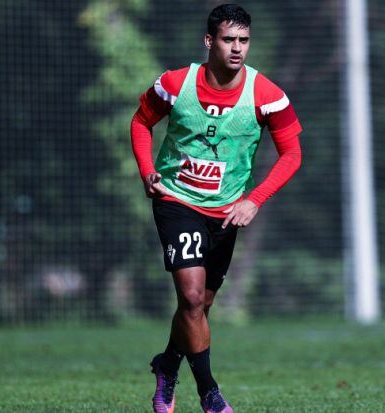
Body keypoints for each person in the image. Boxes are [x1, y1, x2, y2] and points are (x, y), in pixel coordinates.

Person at [130, 4, 303, 412]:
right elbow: (141, 123)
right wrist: (147, 171)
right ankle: (210, 394)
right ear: (210, 41)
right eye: (229, 40)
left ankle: (167, 366)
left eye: (244, 40)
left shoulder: (267, 95)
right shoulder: (175, 84)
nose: (237, 48)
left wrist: (254, 200)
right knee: (191, 298)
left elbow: (292, 154)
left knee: (202, 307)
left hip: (227, 212)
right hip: (177, 201)